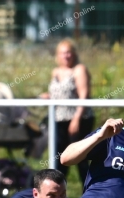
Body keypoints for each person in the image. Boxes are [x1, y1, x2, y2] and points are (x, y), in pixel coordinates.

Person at [40, 39, 95, 188]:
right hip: (58, 120)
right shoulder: (56, 72)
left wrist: (76, 119)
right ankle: (56, 192)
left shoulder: (79, 70)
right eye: (63, 53)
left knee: (80, 159)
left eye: (69, 52)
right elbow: (58, 93)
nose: (66, 56)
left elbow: (84, 96)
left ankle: (89, 193)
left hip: (78, 119)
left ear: (74, 54)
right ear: (58, 55)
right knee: (59, 159)